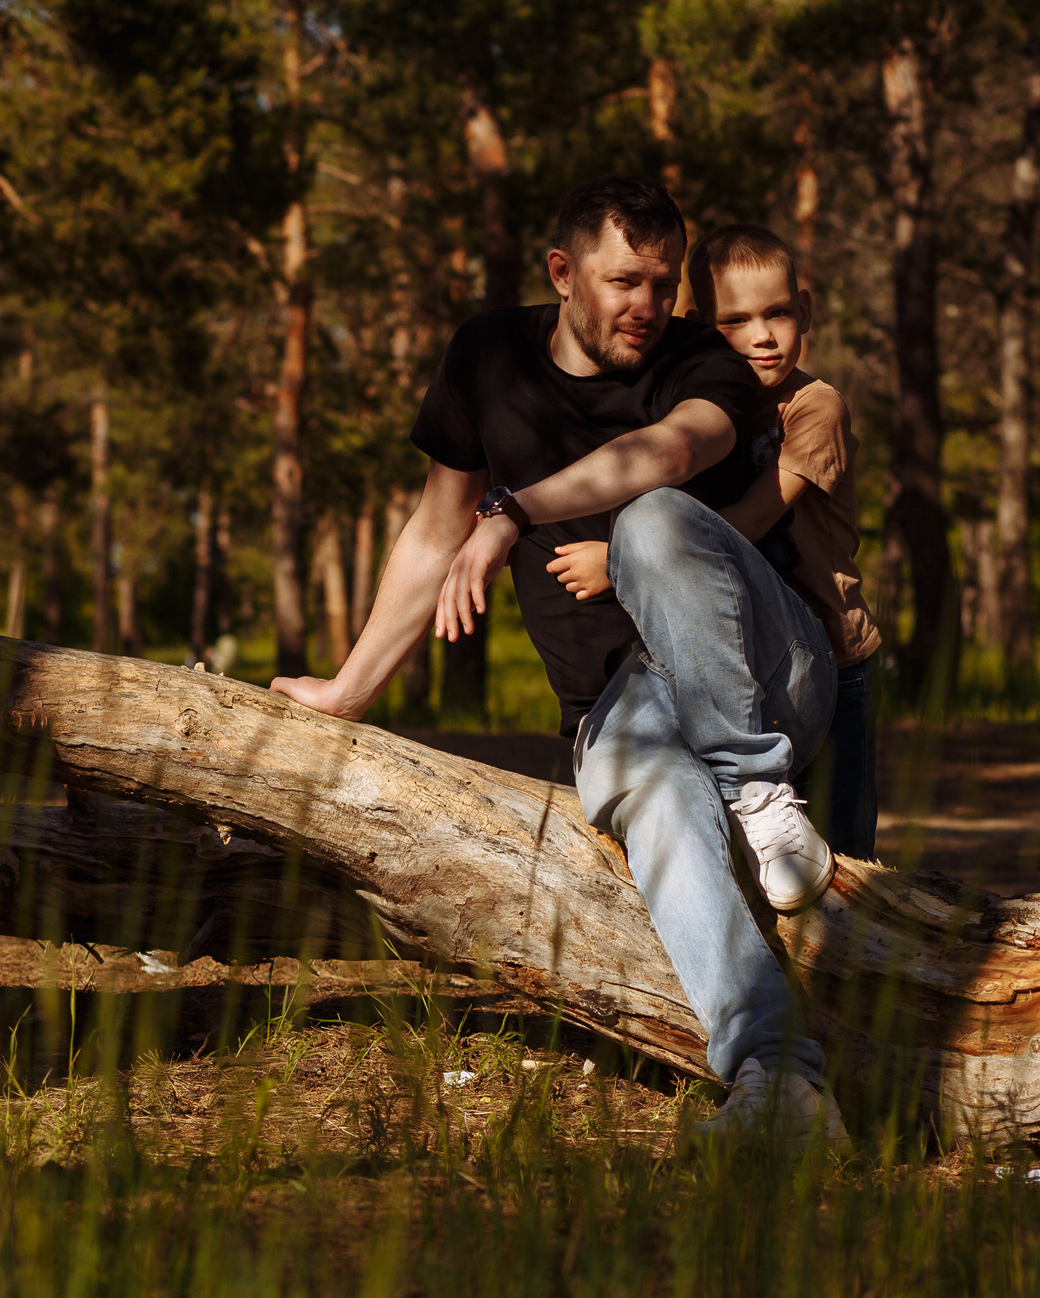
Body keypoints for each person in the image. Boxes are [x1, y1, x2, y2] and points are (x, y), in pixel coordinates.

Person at [270, 175, 848, 1148]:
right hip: (618, 711)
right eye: (626, 281)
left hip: (763, 670)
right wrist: (350, 688)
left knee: (656, 522)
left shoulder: (702, 360)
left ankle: (754, 786)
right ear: (562, 272)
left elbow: (665, 456)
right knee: (658, 798)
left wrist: (516, 510)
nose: (649, 307)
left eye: (664, 284)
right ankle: (781, 1086)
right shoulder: (487, 357)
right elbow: (430, 530)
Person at [547, 223, 884, 859]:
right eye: (736, 322)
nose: (763, 336)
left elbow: (752, 519)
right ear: (703, 326)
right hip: (743, 655)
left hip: (833, 659)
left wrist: (618, 564)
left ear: (804, 311)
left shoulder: (815, 407)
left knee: (846, 856)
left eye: (779, 313)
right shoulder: (706, 407)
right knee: (754, 840)